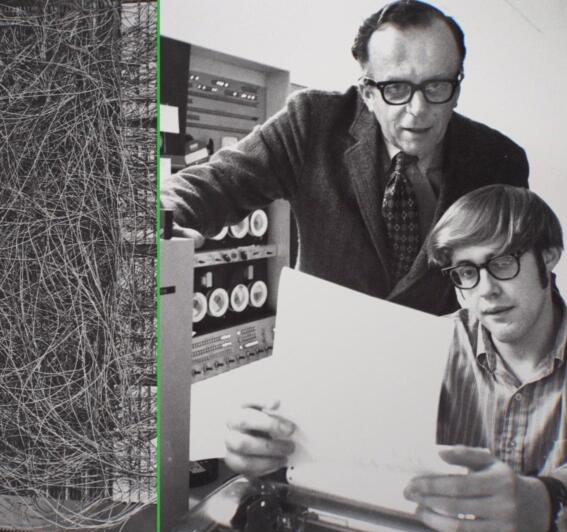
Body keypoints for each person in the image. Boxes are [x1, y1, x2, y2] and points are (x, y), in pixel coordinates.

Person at [224, 186, 567, 532]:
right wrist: (270, 446)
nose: (486, 290)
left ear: (549, 258)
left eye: (504, 263)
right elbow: (342, 432)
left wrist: (541, 504)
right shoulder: (423, 345)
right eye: (467, 272)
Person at [160, 0, 529, 315]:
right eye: (396, 88)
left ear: (457, 86)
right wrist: (159, 217)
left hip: (445, 370)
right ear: (367, 92)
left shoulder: (499, 159)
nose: (418, 110)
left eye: (436, 86)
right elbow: (218, 182)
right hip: (325, 357)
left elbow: (524, 271)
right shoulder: (311, 123)